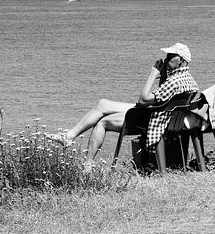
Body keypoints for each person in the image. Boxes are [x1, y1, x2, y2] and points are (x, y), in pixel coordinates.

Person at [49, 43, 198, 172]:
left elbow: (144, 99)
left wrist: (153, 75)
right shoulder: (188, 79)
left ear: (182, 61)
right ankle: (68, 137)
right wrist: (164, 75)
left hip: (154, 119)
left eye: (171, 56)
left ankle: (87, 166)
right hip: (161, 113)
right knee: (102, 104)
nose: (166, 59)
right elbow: (163, 99)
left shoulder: (174, 81)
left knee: (103, 122)